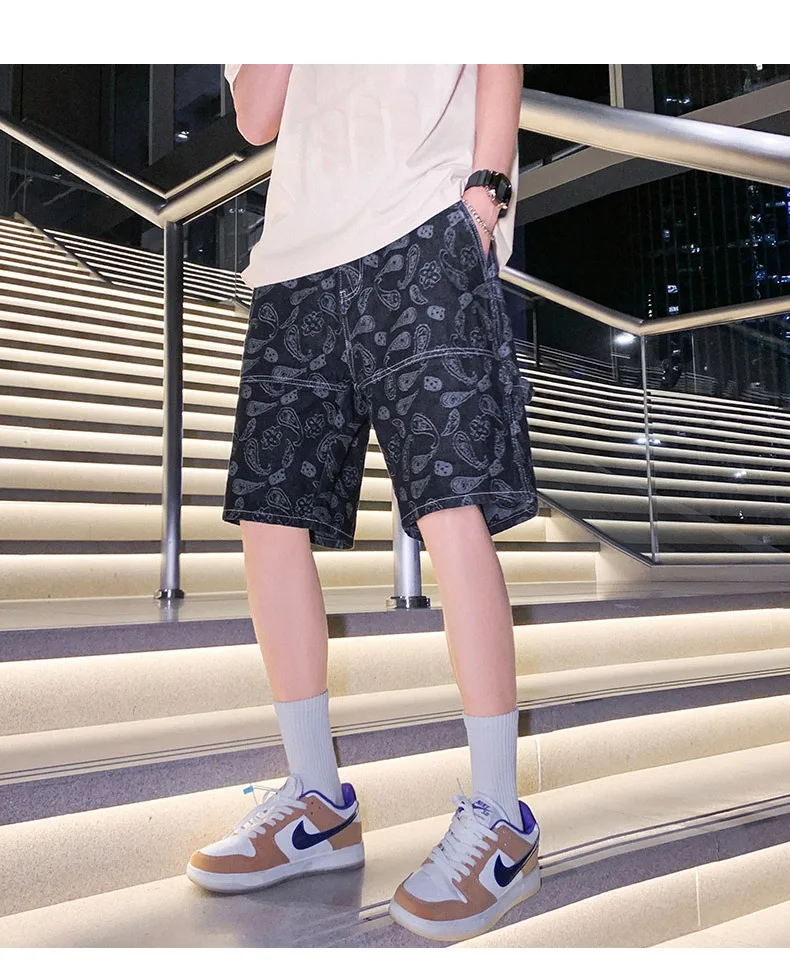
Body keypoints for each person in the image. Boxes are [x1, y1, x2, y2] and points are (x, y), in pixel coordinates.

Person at [187, 64, 540, 944]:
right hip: (295, 256)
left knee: (450, 506)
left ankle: (501, 818)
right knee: (269, 516)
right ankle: (317, 802)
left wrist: (487, 191)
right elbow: (257, 116)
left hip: (421, 223)